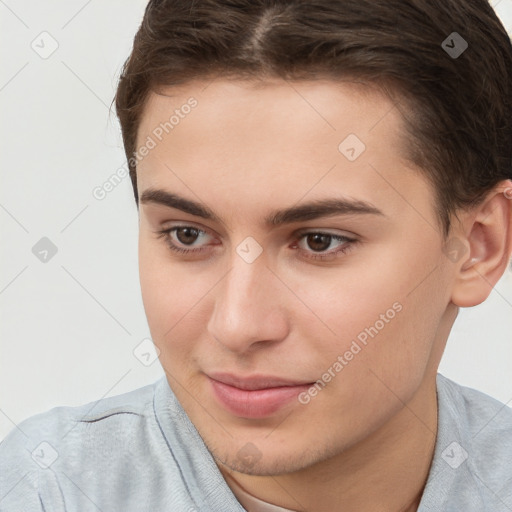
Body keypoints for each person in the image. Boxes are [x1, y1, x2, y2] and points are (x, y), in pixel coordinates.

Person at [1, 0, 511, 510]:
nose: (237, 326)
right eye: (187, 235)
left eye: (320, 241)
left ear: (479, 247)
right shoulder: (45, 490)